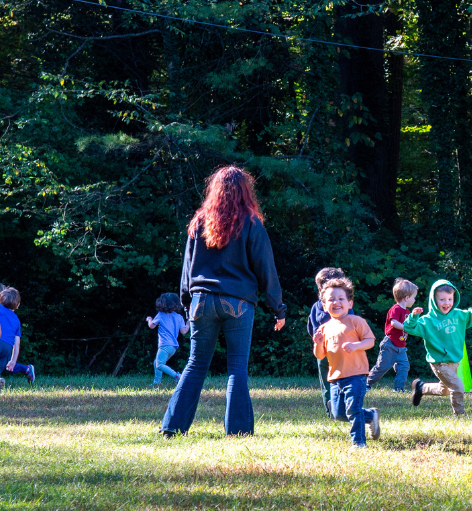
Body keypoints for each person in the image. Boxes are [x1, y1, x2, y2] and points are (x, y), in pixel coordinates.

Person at [160, 166, 287, 437]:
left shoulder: (199, 222)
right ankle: (238, 433)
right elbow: (266, 267)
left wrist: (186, 305)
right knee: (237, 366)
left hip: (201, 301)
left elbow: (187, 269)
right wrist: (277, 308)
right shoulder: (251, 223)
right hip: (238, 303)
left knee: (195, 364)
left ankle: (171, 428)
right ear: (245, 190)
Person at [313, 276, 380, 447]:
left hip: (356, 375)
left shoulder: (356, 321)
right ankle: (371, 416)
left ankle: (358, 442)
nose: (336, 302)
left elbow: (370, 341)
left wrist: (356, 345)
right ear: (324, 306)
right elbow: (320, 355)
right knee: (338, 413)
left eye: (341, 298)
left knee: (353, 409)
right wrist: (318, 342)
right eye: (331, 299)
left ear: (350, 303)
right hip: (335, 377)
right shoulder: (324, 327)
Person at [404, 279, 472, 414]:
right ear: (434, 300)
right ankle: (459, 414)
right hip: (439, 362)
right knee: (458, 386)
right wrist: (413, 317)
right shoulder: (428, 320)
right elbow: (409, 327)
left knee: (445, 390)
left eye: (450, 299)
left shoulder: (459, 315)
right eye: (442, 299)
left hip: (454, 361)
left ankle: (420, 387)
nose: (447, 303)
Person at [0, 286, 36, 396]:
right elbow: (17, 342)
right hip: (8, 348)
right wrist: (13, 360)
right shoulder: (16, 320)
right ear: (18, 305)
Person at [306, 266, 347, 415]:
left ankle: (331, 412)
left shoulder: (316, 307)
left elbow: (311, 328)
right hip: (340, 350)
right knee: (343, 381)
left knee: (326, 383)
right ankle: (339, 410)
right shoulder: (345, 305)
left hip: (323, 350)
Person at [366, 278, 418, 393]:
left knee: (404, 367)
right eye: (414, 297)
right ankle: (366, 383)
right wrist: (406, 327)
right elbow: (394, 323)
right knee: (381, 367)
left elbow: (411, 325)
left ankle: (399, 389)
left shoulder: (408, 313)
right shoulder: (396, 309)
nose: (414, 300)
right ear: (406, 298)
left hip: (401, 347)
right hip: (390, 345)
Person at [146, 292, 189, 386]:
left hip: (164, 345)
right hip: (173, 347)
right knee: (156, 362)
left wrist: (149, 319)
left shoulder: (161, 315)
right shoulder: (179, 317)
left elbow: (152, 326)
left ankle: (177, 376)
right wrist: (189, 323)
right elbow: (184, 331)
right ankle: (156, 382)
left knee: (159, 364)